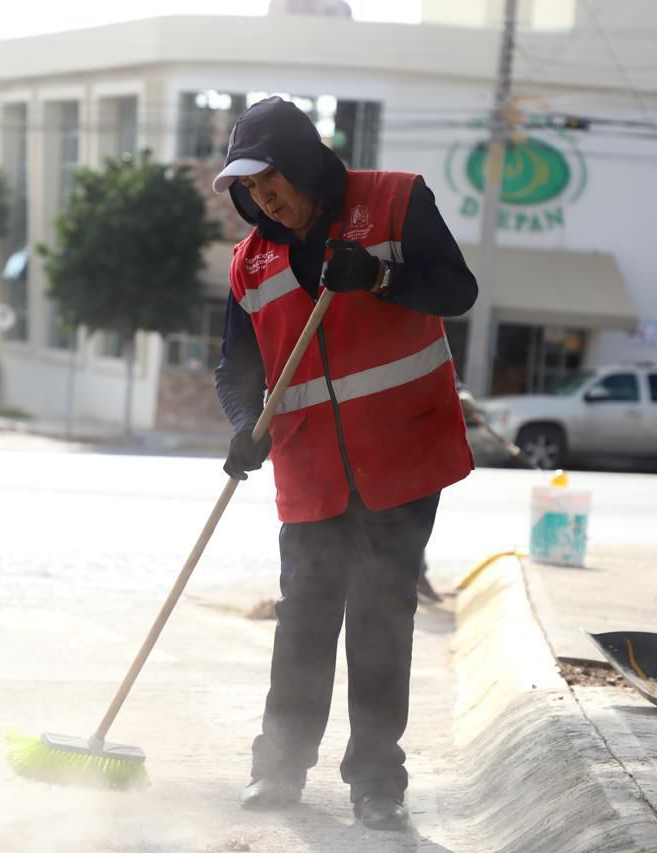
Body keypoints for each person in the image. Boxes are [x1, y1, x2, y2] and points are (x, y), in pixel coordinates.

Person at [213, 96, 477, 832]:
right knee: (303, 614)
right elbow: (236, 369)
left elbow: (458, 289)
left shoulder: (394, 202)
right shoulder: (251, 261)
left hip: (400, 454)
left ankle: (375, 782)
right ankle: (279, 766)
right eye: (251, 192)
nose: (264, 201)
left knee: (379, 611)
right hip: (310, 467)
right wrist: (244, 426)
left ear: (303, 165)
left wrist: (381, 280)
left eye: (273, 184)